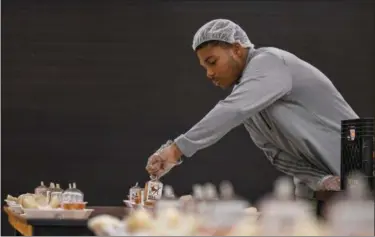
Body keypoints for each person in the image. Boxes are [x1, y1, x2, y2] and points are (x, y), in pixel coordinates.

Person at [145, 19, 359, 199]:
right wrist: (321, 180)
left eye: (212, 62)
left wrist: (176, 149)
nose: (209, 73)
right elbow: (278, 156)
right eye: (205, 67)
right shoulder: (251, 109)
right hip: (327, 192)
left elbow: (232, 110)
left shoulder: (270, 61)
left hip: (364, 168)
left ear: (237, 49)